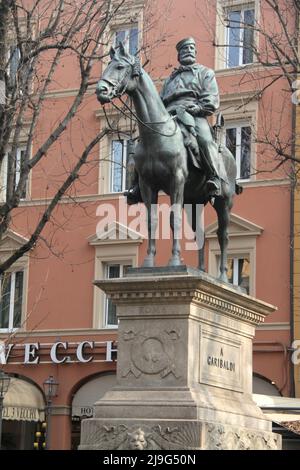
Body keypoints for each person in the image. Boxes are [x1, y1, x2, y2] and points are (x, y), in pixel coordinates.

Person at [125, 37, 226, 204]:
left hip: (193, 114)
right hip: (169, 117)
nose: (188, 51)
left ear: (195, 52)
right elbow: (159, 102)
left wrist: (199, 108)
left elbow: (211, 99)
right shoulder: (170, 80)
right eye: (184, 49)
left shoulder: (205, 73)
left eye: (191, 48)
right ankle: (137, 186)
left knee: (205, 140)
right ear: (179, 56)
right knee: (143, 144)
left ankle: (214, 177)